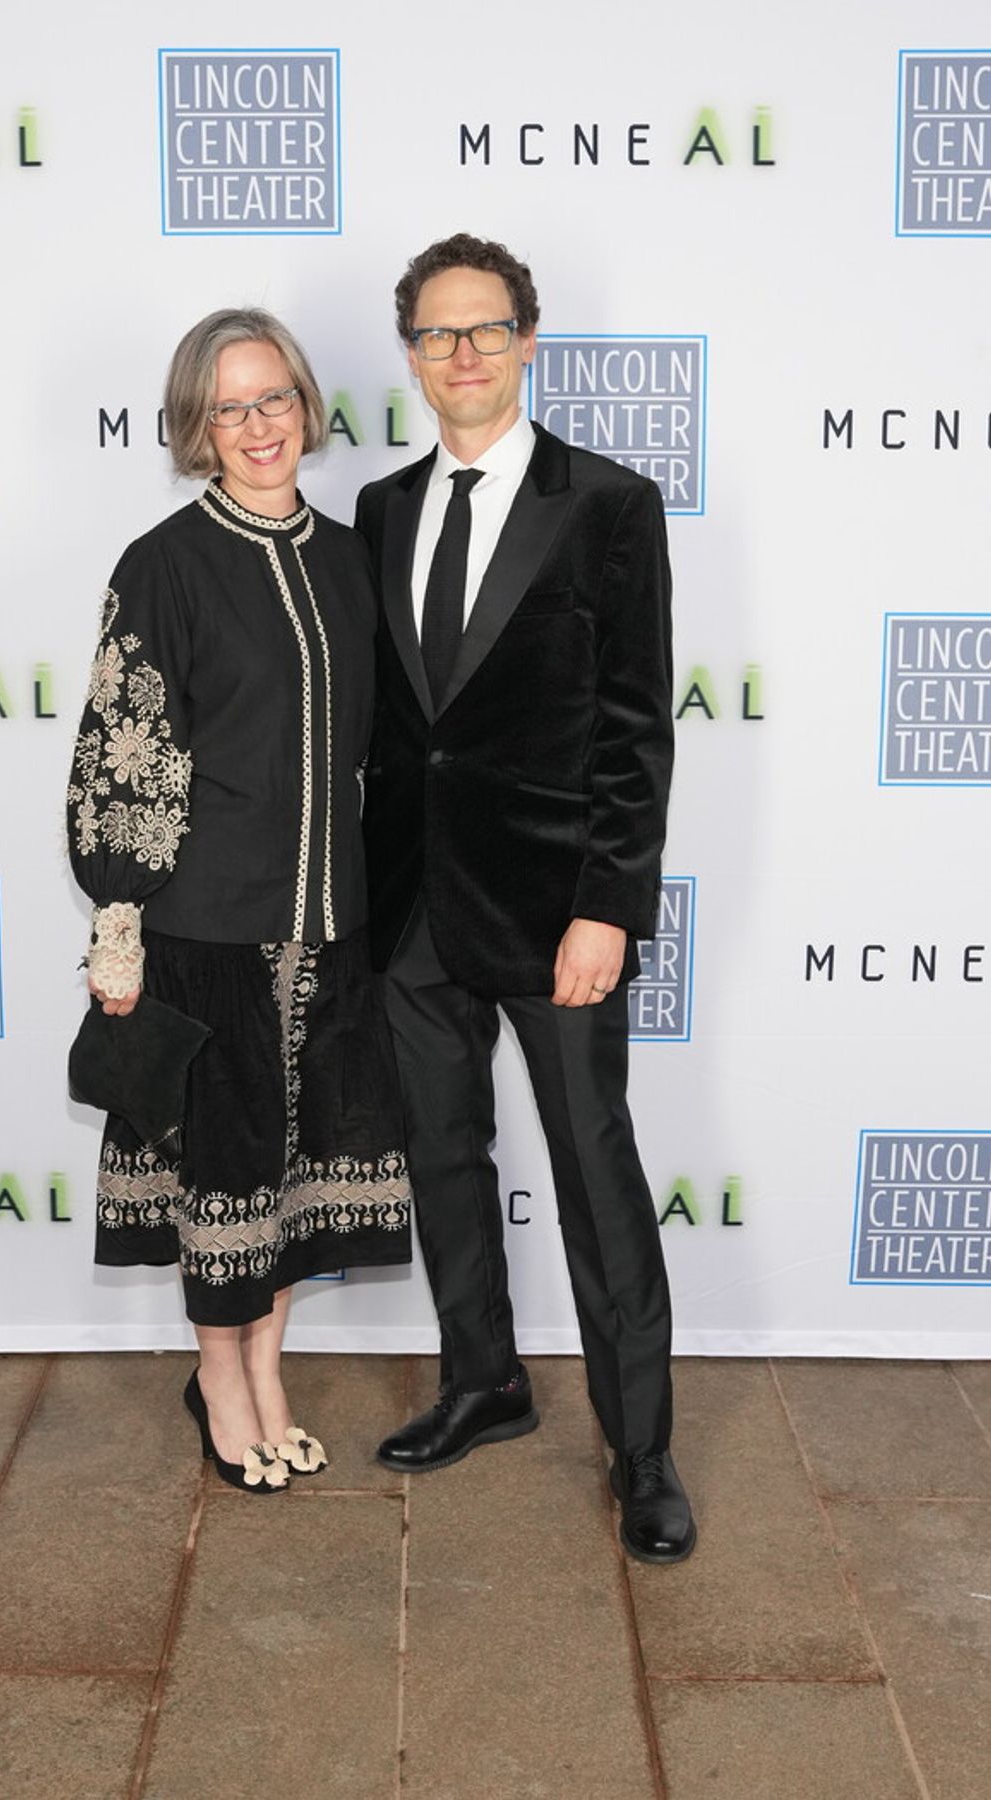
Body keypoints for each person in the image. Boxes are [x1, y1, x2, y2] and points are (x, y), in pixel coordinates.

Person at [355, 234, 694, 1563]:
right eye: (438, 335)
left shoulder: (609, 504)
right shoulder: (381, 509)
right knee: (444, 1158)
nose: (464, 355)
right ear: (412, 356)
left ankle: (645, 1452)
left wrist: (609, 906)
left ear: (528, 339)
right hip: (413, 912)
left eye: (486, 329)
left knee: (596, 1176)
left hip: (559, 916)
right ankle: (484, 1378)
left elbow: (635, 726)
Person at [67, 308, 411, 1494]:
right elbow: (126, 747)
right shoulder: (163, 565)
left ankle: (270, 1371)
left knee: (293, 1177)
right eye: (230, 407)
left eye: (274, 400)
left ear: (306, 409)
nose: (258, 426)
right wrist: (119, 917)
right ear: (194, 426)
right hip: (207, 926)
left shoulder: (347, 556)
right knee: (223, 1169)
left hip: (334, 922)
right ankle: (223, 1380)